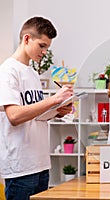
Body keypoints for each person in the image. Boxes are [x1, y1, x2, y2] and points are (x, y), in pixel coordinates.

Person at [0, 16, 73, 200]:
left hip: (41, 163)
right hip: (21, 167)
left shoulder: (32, 73)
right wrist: (54, 99)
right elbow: (14, 116)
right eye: (42, 45)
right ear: (26, 39)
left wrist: (57, 111)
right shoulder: (8, 71)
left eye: (47, 47)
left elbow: (34, 113)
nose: (44, 52)